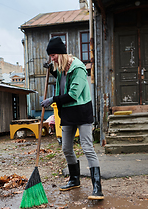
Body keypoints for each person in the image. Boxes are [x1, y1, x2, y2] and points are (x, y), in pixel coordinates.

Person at [40, 37, 104, 200]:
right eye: (50, 56)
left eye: (53, 55)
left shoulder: (78, 68)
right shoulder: (61, 67)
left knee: (87, 147)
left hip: (81, 112)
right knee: (66, 148)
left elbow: (73, 94)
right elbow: (63, 82)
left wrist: (53, 99)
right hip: (67, 113)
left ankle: (97, 187)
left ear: (61, 54)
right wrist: (52, 70)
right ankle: (75, 179)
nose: (51, 58)